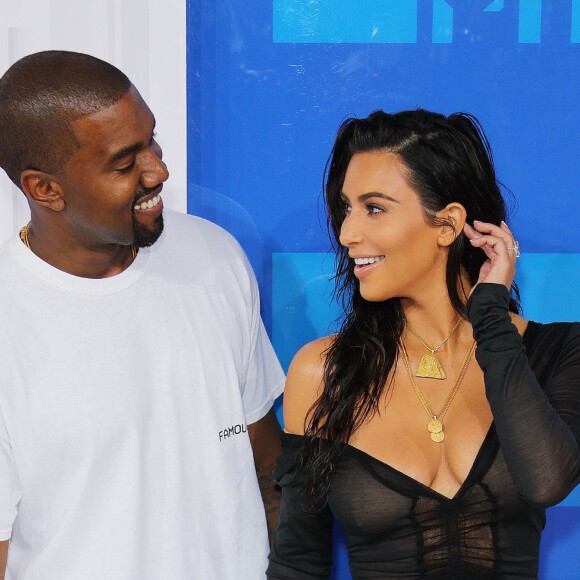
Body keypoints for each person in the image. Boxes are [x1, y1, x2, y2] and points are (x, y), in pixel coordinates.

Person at [0, 50, 284, 579]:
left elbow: (264, 460)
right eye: (125, 162)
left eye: (151, 139)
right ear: (45, 189)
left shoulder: (213, 256)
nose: (159, 170)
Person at [267, 109, 580, 579]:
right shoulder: (322, 371)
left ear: (448, 224)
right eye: (346, 208)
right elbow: (298, 562)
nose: (348, 233)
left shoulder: (557, 351)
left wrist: (490, 316)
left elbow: (545, 481)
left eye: (374, 208)